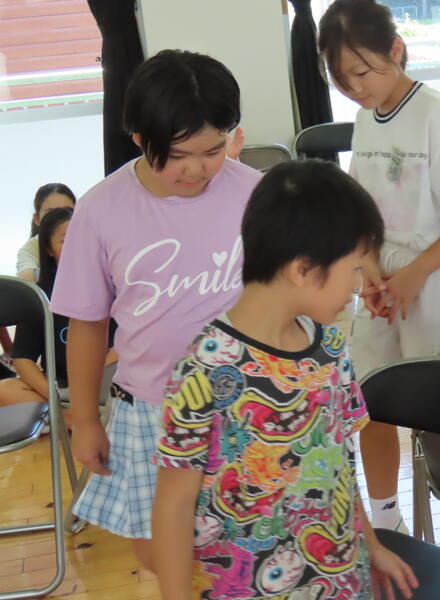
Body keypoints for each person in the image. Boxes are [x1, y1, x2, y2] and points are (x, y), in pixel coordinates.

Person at [152, 160, 418, 600]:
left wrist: (371, 545)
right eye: (354, 269)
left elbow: (340, 468)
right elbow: (173, 506)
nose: (358, 286)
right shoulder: (204, 368)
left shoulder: (331, 348)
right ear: (304, 269)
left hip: (341, 582)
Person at [50, 50, 262, 571]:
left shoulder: (256, 194)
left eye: (213, 150)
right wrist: (84, 419)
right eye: (178, 154)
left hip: (246, 402)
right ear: (140, 137)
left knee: (250, 545)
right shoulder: (100, 208)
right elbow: (88, 323)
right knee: (159, 552)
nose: (196, 169)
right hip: (151, 409)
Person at [318, 0, 440, 539]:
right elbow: (363, 209)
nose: (356, 88)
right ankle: (387, 520)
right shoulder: (365, 119)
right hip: (385, 281)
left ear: (397, 51)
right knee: (371, 401)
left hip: (438, 278)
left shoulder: (433, 113)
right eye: (342, 78)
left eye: (364, 71)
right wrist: (371, 268)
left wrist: (416, 273)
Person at [0, 208, 74, 412]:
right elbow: (23, 359)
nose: (77, 246)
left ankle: (70, 417)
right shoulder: (40, 296)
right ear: (49, 249)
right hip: (61, 389)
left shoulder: (109, 288)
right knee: (5, 390)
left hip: (104, 385)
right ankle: (65, 417)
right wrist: (53, 396)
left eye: (83, 238)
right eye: (65, 240)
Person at [16, 183, 76, 281]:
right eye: (51, 213)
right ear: (37, 219)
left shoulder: (91, 238)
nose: (61, 219)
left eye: (67, 211)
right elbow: (27, 283)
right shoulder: (32, 248)